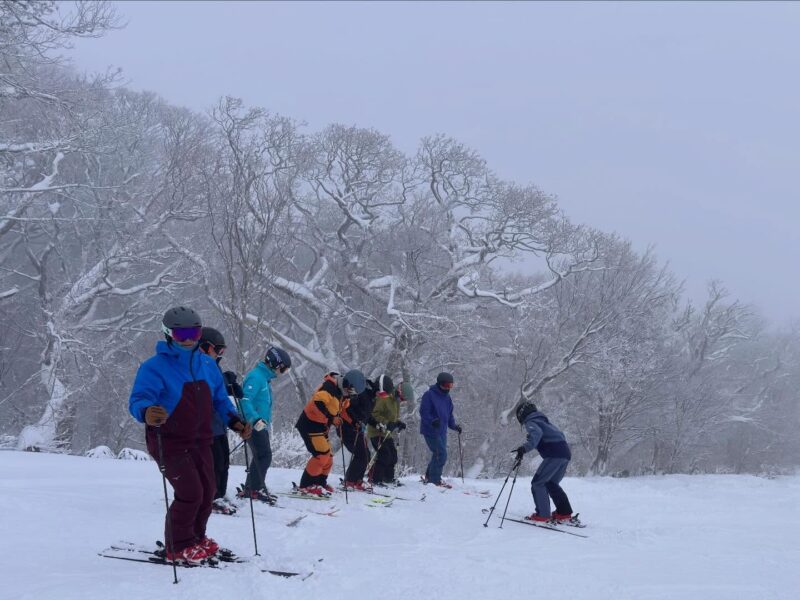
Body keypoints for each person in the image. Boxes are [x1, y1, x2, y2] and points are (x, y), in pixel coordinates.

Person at [128, 307, 252, 564]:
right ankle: (178, 545)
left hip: (201, 439)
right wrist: (147, 412)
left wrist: (235, 421)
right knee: (191, 493)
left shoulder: (207, 365)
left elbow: (220, 400)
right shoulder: (154, 367)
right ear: (168, 334)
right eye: (181, 334)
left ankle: (196, 537)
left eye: (193, 333)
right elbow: (139, 399)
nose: (187, 340)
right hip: (169, 441)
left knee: (208, 491)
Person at [236, 346, 292, 504]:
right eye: (283, 369)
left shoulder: (263, 378)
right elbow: (244, 400)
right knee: (264, 455)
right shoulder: (256, 377)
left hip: (260, 423)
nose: (282, 372)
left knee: (262, 455)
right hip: (253, 424)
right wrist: (254, 420)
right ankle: (254, 489)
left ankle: (253, 487)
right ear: (275, 364)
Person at [197, 327, 239, 516]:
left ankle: (220, 494)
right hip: (206, 427)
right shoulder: (197, 364)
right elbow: (205, 389)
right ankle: (211, 497)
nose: (220, 354)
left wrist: (229, 384)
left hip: (219, 424)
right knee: (214, 463)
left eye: (223, 350)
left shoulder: (213, 365)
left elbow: (217, 390)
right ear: (204, 346)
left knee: (223, 462)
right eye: (218, 349)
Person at [511, 401, 577, 524]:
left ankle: (543, 515)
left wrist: (524, 448)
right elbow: (557, 436)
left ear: (521, 415)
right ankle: (564, 513)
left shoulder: (530, 422)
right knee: (551, 483)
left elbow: (537, 434)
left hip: (554, 454)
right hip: (565, 453)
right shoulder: (545, 422)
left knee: (538, 483)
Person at [295, 372, 349, 496]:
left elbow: (337, 408)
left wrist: (337, 418)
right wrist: (332, 418)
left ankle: (320, 483)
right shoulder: (329, 388)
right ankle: (306, 485)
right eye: (350, 391)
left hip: (321, 427)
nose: (351, 394)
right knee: (321, 455)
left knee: (328, 457)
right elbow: (317, 403)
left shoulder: (341, 393)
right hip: (310, 425)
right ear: (346, 386)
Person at [419, 372, 462, 488]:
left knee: (437, 454)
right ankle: (434, 480)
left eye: (450, 385)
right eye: (446, 385)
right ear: (440, 384)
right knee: (441, 454)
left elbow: (449, 415)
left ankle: (429, 476)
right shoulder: (429, 395)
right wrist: (432, 421)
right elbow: (424, 412)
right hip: (430, 430)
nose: (448, 388)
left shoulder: (447, 398)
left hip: (442, 431)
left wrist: (454, 426)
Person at [367, 375, 410, 487]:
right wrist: (386, 422)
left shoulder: (395, 402)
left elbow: (392, 417)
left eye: (403, 400)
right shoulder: (384, 398)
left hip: (386, 433)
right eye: (402, 398)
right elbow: (374, 414)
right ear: (399, 392)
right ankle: (374, 479)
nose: (401, 401)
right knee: (384, 454)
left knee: (393, 455)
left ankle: (388, 478)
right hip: (376, 432)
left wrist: (398, 423)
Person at [338, 369, 374, 491]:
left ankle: (356, 479)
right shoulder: (357, 394)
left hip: (357, 427)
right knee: (361, 453)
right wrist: (355, 421)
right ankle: (350, 480)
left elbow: (366, 415)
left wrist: (363, 422)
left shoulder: (365, 396)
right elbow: (347, 410)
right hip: (347, 427)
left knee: (365, 454)